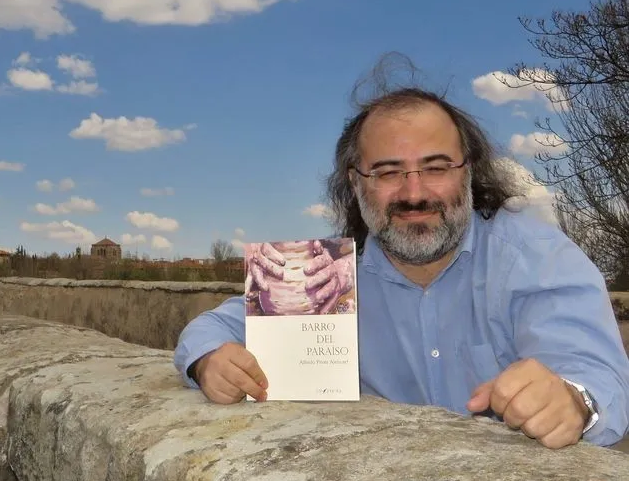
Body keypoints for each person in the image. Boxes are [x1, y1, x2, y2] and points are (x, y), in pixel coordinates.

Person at [173, 86, 629, 449]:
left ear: (468, 172)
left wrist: (573, 401)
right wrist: (209, 362)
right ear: (356, 184)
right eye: (389, 172)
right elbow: (211, 329)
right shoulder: (326, 279)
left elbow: (597, 379)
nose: (414, 193)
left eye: (436, 167)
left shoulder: (539, 256)